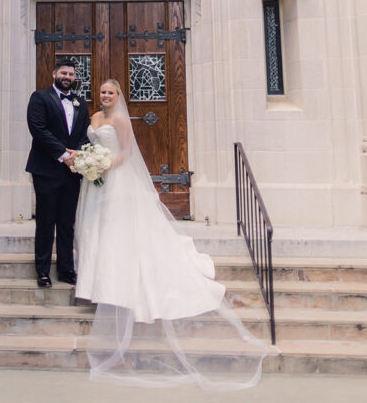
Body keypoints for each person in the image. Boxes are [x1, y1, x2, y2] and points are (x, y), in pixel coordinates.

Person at [75, 79, 269, 388]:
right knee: (93, 228)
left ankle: (114, 283)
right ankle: (94, 281)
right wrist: (86, 162)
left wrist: (104, 166)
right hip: (94, 183)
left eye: (110, 92)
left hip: (114, 178)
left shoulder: (122, 120)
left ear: (118, 96)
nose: (106, 96)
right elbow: (91, 145)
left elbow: (126, 152)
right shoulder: (94, 117)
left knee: (116, 230)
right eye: (102, 92)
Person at [26, 61, 91, 288]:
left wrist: (78, 154)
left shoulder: (80, 103)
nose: (67, 76)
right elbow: (38, 129)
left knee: (66, 222)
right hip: (46, 169)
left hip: (72, 172)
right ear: (54, 73)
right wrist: (63, 154)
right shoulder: (40, 97)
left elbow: (84, 134)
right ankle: (43, 271)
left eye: (71, 74)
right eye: (63, 73)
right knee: (46, 222)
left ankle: (66, 270)